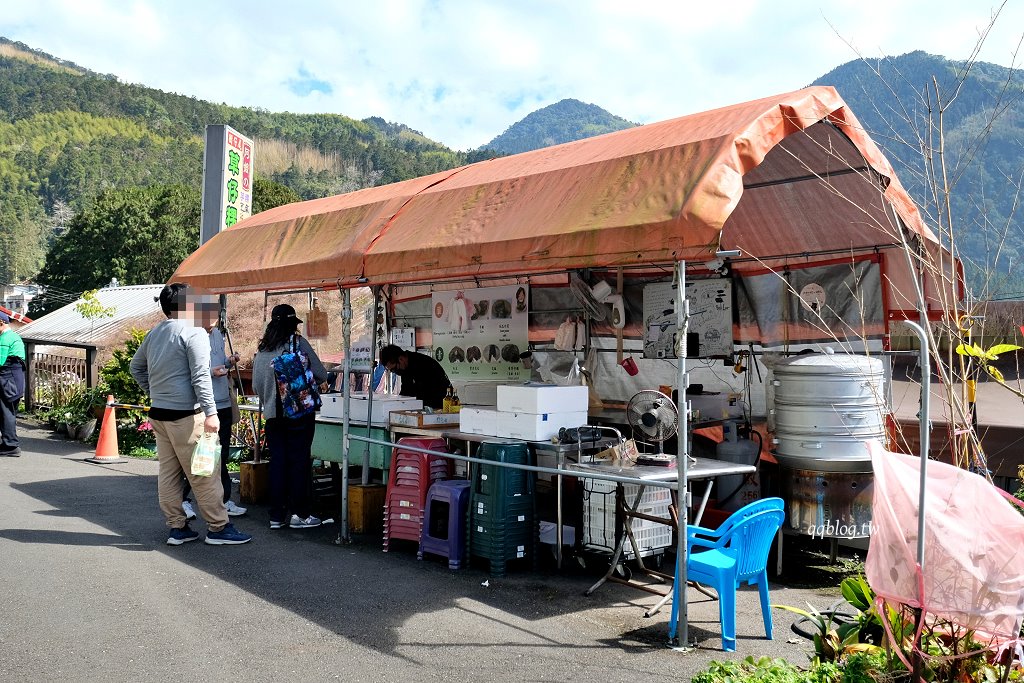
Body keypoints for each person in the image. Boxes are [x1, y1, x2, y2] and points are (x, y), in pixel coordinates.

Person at [130, 284, 251, 546]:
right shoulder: (194, 332)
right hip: (188, 416)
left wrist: (155, 391)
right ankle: (219, 528)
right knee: (204, 471)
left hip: (160, 414)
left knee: (169, 473)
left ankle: (177, 527)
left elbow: (135, 367)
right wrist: (211, 413)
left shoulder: (156, 331)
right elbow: (200, 377)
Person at [253, 303, 328, 530]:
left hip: (273, 416)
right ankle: (300, 514)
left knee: (278, 462)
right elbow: (321, 373)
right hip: (299, 414)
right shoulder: (298, 345)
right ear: (292, 325)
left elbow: (256, 387)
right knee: (299, 461)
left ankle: (276, 516)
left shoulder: (262, 351)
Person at [181, 310, 247, 520]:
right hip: (202, 404)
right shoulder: (190, 335)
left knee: (221, 455)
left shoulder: (217, 334)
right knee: (197, 456)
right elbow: (189, 370)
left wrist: (229, 362)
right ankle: (183, 500)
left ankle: (224, 500)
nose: (214, 320)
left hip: (223, 402)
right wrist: (211, 372)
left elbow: (219, 363)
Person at [379, 344, 450, 410]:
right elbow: (406, 391)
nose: (395, 372)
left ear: (401, 359)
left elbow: (422, 394)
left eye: (394, 369)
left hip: (441, 406)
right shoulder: (406, 367)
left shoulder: (422, 364)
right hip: (425, 405)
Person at [0, 311, 26, 457]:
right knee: (7, 411)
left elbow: (0, 361)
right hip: (14, 379)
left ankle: (10, 445)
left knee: (6, 412)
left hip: (7, 378)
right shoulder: (14, 336)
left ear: (1, 323)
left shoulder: (5, 339)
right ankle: (7, 443)